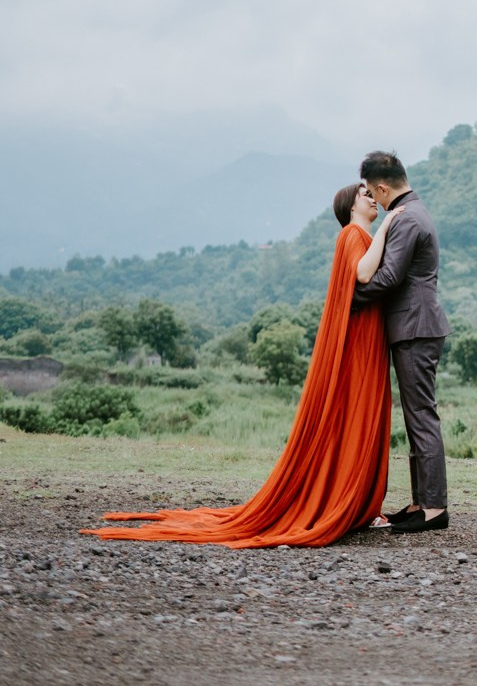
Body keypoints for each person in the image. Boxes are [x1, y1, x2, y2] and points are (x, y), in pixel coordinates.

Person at [83, 182, 394, 548]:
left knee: (359, 415)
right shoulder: (354, 234)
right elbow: (362, 274)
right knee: (356, 413)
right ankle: (347, 500)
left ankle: (356, 501)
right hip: (359, 341)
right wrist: (387, 228)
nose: (373, 199)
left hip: (366, 336)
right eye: (365, 195)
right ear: (350, 206)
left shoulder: (358, 235)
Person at [351, 150, 451, 533]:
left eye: (373, 193)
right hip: (416, 326)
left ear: (381, 188)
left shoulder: (406, 218)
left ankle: (434, 509)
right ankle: (421, 501)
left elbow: (390, 276)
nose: (375, 201)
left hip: (415, 327)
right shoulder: (414, 211)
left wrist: (349, 298)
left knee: (422, 415)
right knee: (416, 416)